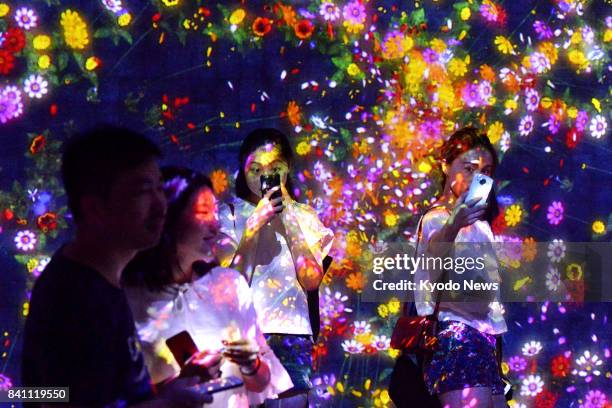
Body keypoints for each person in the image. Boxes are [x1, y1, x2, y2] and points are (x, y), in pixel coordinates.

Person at [21, 125, 212, 407]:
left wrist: (167, 390)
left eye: (160, 188)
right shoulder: (74, 298)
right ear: (94, 209)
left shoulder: (103, 281)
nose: (161, 206)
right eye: (143, 192)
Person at [122, 166, 293, 408]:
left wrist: (250, 363)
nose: (215, 224)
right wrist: (175, 388)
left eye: (215, 211)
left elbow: (263, 383)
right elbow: (68, 394)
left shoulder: (229, 285)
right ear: (167, 218)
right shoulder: (124, 300)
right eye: (203, 212)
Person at [219, 128, 334, 407]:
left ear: (288, 170)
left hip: (292, 333)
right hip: (242, 336)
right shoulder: (229, 214)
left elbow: (310, 280)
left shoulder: (304, 216)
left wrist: (289, 219)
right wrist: (252, 229)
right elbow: (229, 286)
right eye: (255, 169)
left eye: (275, 169)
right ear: (242, 171)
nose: (264, 178)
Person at [414, 126, 508, 408]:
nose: (477, 178)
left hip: (484, 343)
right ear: (445, 165)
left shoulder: (482, 226)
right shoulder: (437, 219)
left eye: (486, 172)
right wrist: (454, 224)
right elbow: (430, 268)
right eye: (468, 168)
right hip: (456, 340)